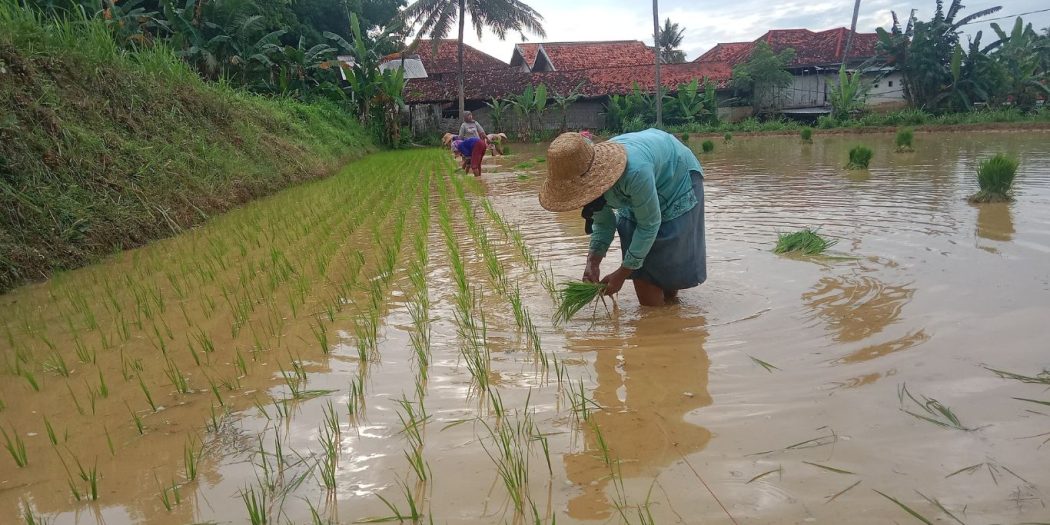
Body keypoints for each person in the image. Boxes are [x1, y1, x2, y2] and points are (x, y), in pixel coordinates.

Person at [538, 129, 706, 306]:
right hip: (644, 178)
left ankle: (661, 320)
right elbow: (604, 224)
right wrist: (592, 263)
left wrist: (622, 273)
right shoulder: (591, 190)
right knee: (640, 256)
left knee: (665, 259)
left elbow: (649, 225)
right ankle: (665, 316)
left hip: (676, 175)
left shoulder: (633, 172)